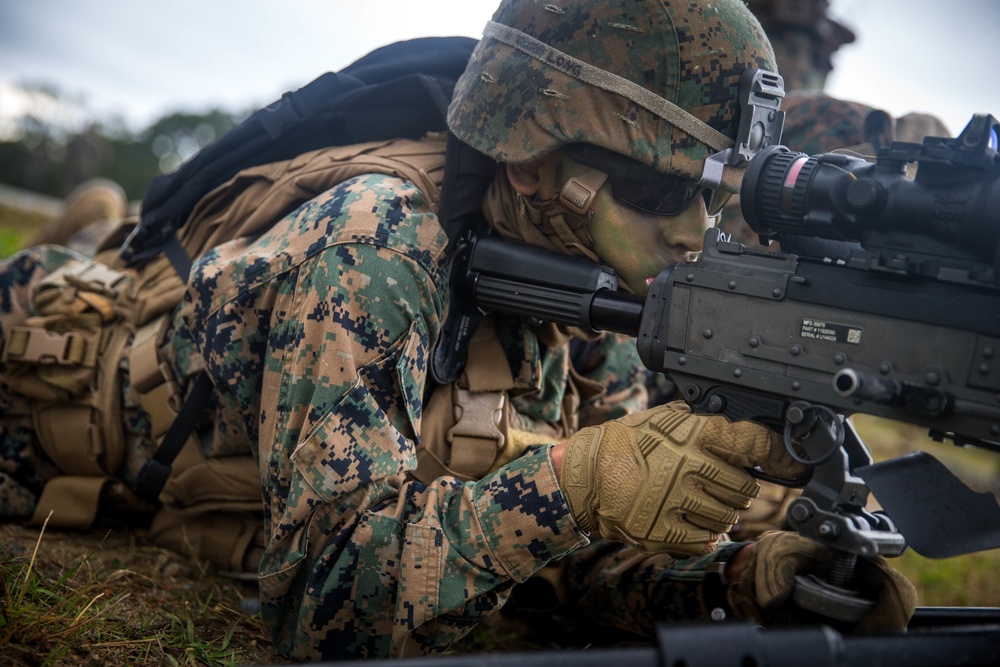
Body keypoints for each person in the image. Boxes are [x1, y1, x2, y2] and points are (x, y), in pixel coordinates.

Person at [0, 0, 916, 660]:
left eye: (713, 199)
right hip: (50, 404)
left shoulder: (610, 290)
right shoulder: (377, 237)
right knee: (48, 299)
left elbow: (573, 570)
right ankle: (81, 244)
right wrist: (577, 480)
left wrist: (745, 585)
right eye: (660, 190)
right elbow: (325, 604)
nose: (691, 232)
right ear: (532, 165)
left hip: (226, 476)